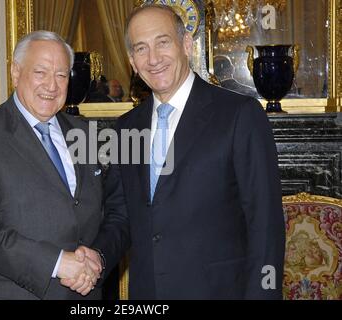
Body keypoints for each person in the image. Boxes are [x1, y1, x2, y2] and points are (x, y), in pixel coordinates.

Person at [78, 4, 286, 299]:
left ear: (186, 45)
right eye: (141, 48)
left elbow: (265, 226)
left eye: (163, 42)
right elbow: (122, 216)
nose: (153, 59)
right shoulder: (126, 128)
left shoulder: (239, 115)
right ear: (132, 62)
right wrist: (97, 256)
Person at [0, 31, 103, 300]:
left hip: (84, 294)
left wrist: (98, 256)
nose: (52, 86)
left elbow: (110, 210)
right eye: (41, 72)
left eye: (61, 75)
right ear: (15, 72)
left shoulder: (87, 134)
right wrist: (56, 262)